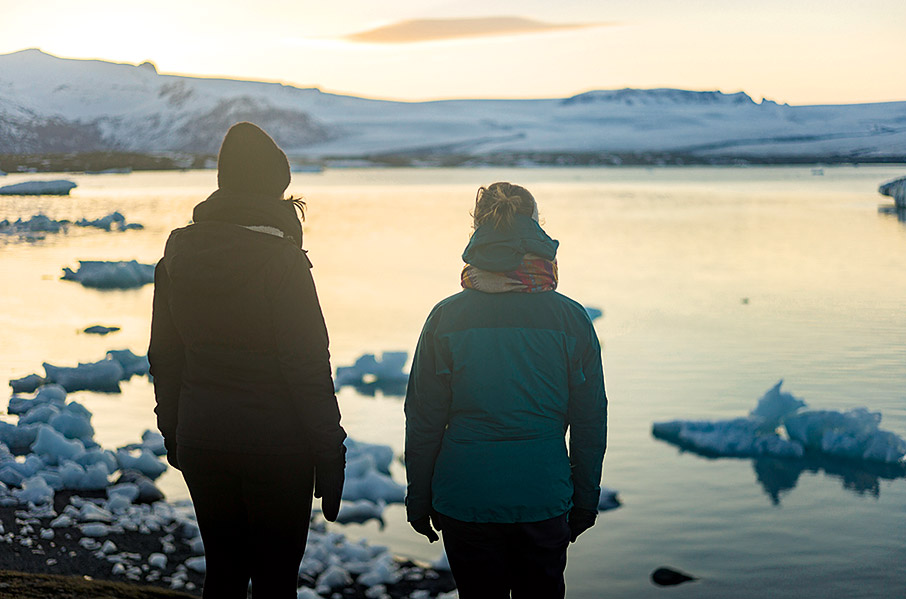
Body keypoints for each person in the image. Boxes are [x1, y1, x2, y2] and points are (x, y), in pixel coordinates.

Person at [148, 122, 347, 599]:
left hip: (203, 439)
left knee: (224, 573)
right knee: (276, 581)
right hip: (277, 448)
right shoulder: (282, 261)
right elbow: (307, 368)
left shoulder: (177, 250)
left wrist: (174, 429)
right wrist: (330, 453)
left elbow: (165, 355)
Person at [404, 182, 607, 598]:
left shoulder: (446, 318)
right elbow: (589, 421)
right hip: (543, 498)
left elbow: (423, 418)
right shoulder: (570, 319)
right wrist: (584, 498)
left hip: (466, 498)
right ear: (536, 232)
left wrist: (419, 496)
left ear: (479, 234)